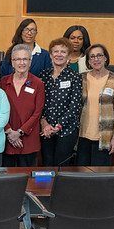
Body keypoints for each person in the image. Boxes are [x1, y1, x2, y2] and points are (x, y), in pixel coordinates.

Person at [76, 44, 114, 166]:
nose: (96, 59)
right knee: (81, 176)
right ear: (88, 61)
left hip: (104, 136)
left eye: (99, 55)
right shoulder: (81, 78)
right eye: (92, 57)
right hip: (82, 136)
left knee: (100, 177)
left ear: (105, 58)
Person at [0, 44, 45, 167]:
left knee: (28, 181)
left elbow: (37, 113)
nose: (21, 62)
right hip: (7, 139)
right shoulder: (3, 82)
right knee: (7, 180)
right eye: (17, 59)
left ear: (30, 62)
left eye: (25, 59)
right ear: (12, 62)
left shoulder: (38, 83)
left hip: (28, 140)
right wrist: (9, 132)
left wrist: (19, 132)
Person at [40, 38, 83, 166]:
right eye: (56, 51)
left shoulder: (75, 77)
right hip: (45, 130)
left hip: (66, 130)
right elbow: (38, 103)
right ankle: (46, 187)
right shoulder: (43, 75)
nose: (59, 54)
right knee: (47, 165)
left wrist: (58, 126)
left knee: (61, 167)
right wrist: (44, 123)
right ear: (50, 55)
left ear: (69, 56)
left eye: (63, 52)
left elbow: (74, 106)